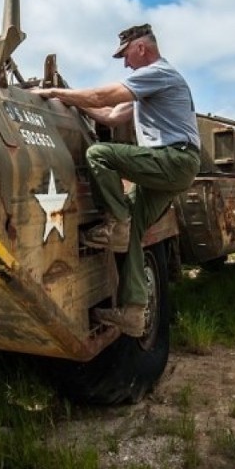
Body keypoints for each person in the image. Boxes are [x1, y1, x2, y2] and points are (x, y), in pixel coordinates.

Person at [36, 23, 200, 337]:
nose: (125, 63)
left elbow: (101, 96)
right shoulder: (149, 88)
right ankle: (134, 312)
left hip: (174, 159)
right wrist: (74, 105)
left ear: (141, 47)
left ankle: (116, 224)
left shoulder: (158, 73)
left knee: (99, 154)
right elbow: (110, 115)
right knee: (135, 229)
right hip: (175, 166)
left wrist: (55, 92)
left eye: (125, 55)